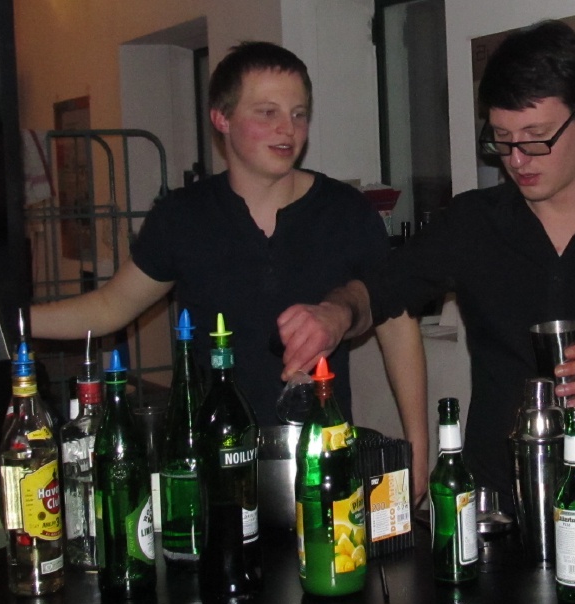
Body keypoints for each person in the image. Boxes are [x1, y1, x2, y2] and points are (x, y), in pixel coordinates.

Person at [278, 20, 575, 519]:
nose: (517, 160)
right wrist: (335, 314)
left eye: (536, 139)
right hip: (494, 511)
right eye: (501, 140)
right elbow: (380, 290)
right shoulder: (474, 223)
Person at [31, 42, 429, 500]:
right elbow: (108, 308)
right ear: (221, 118)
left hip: (323, 462)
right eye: (267, 112)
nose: (288, 129)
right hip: (214, 468)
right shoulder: (183, 217)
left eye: (298, 114)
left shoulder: (346, 212)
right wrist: (10, 322)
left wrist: (417, 451)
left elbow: (398, 326)